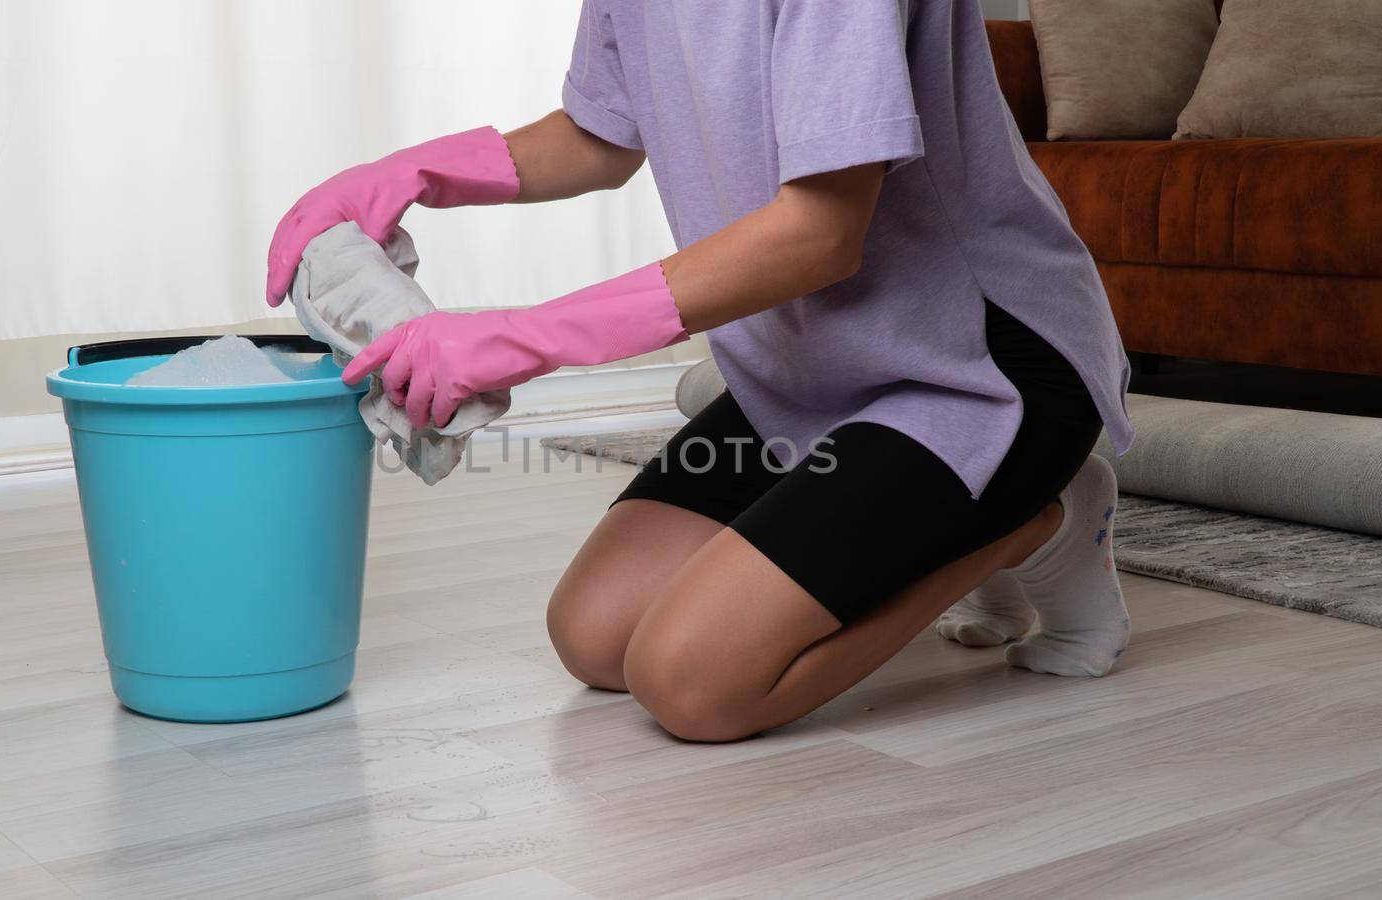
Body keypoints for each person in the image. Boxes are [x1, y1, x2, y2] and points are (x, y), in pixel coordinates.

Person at [266, 0, 1136, 743]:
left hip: (978, 366)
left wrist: (521, 337)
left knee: (694, 684)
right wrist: (410, 174)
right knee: (595, 636)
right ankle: (951, 518)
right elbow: (598, 135)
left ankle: (1038, 523)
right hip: (808, 369)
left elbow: (821, 232)